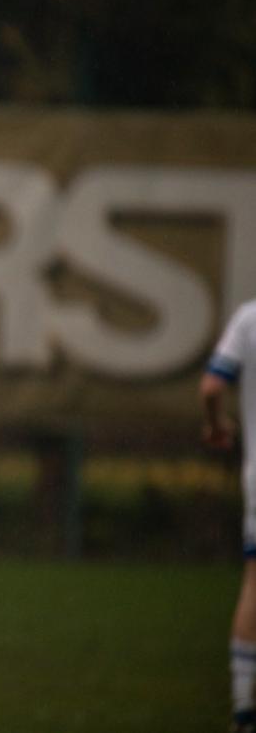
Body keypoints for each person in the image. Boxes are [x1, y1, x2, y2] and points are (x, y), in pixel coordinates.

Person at [201, 298, 256, 733]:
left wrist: (217, 426)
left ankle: (243, 706)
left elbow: (211, 388)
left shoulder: (250, 318)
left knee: (255, 585)